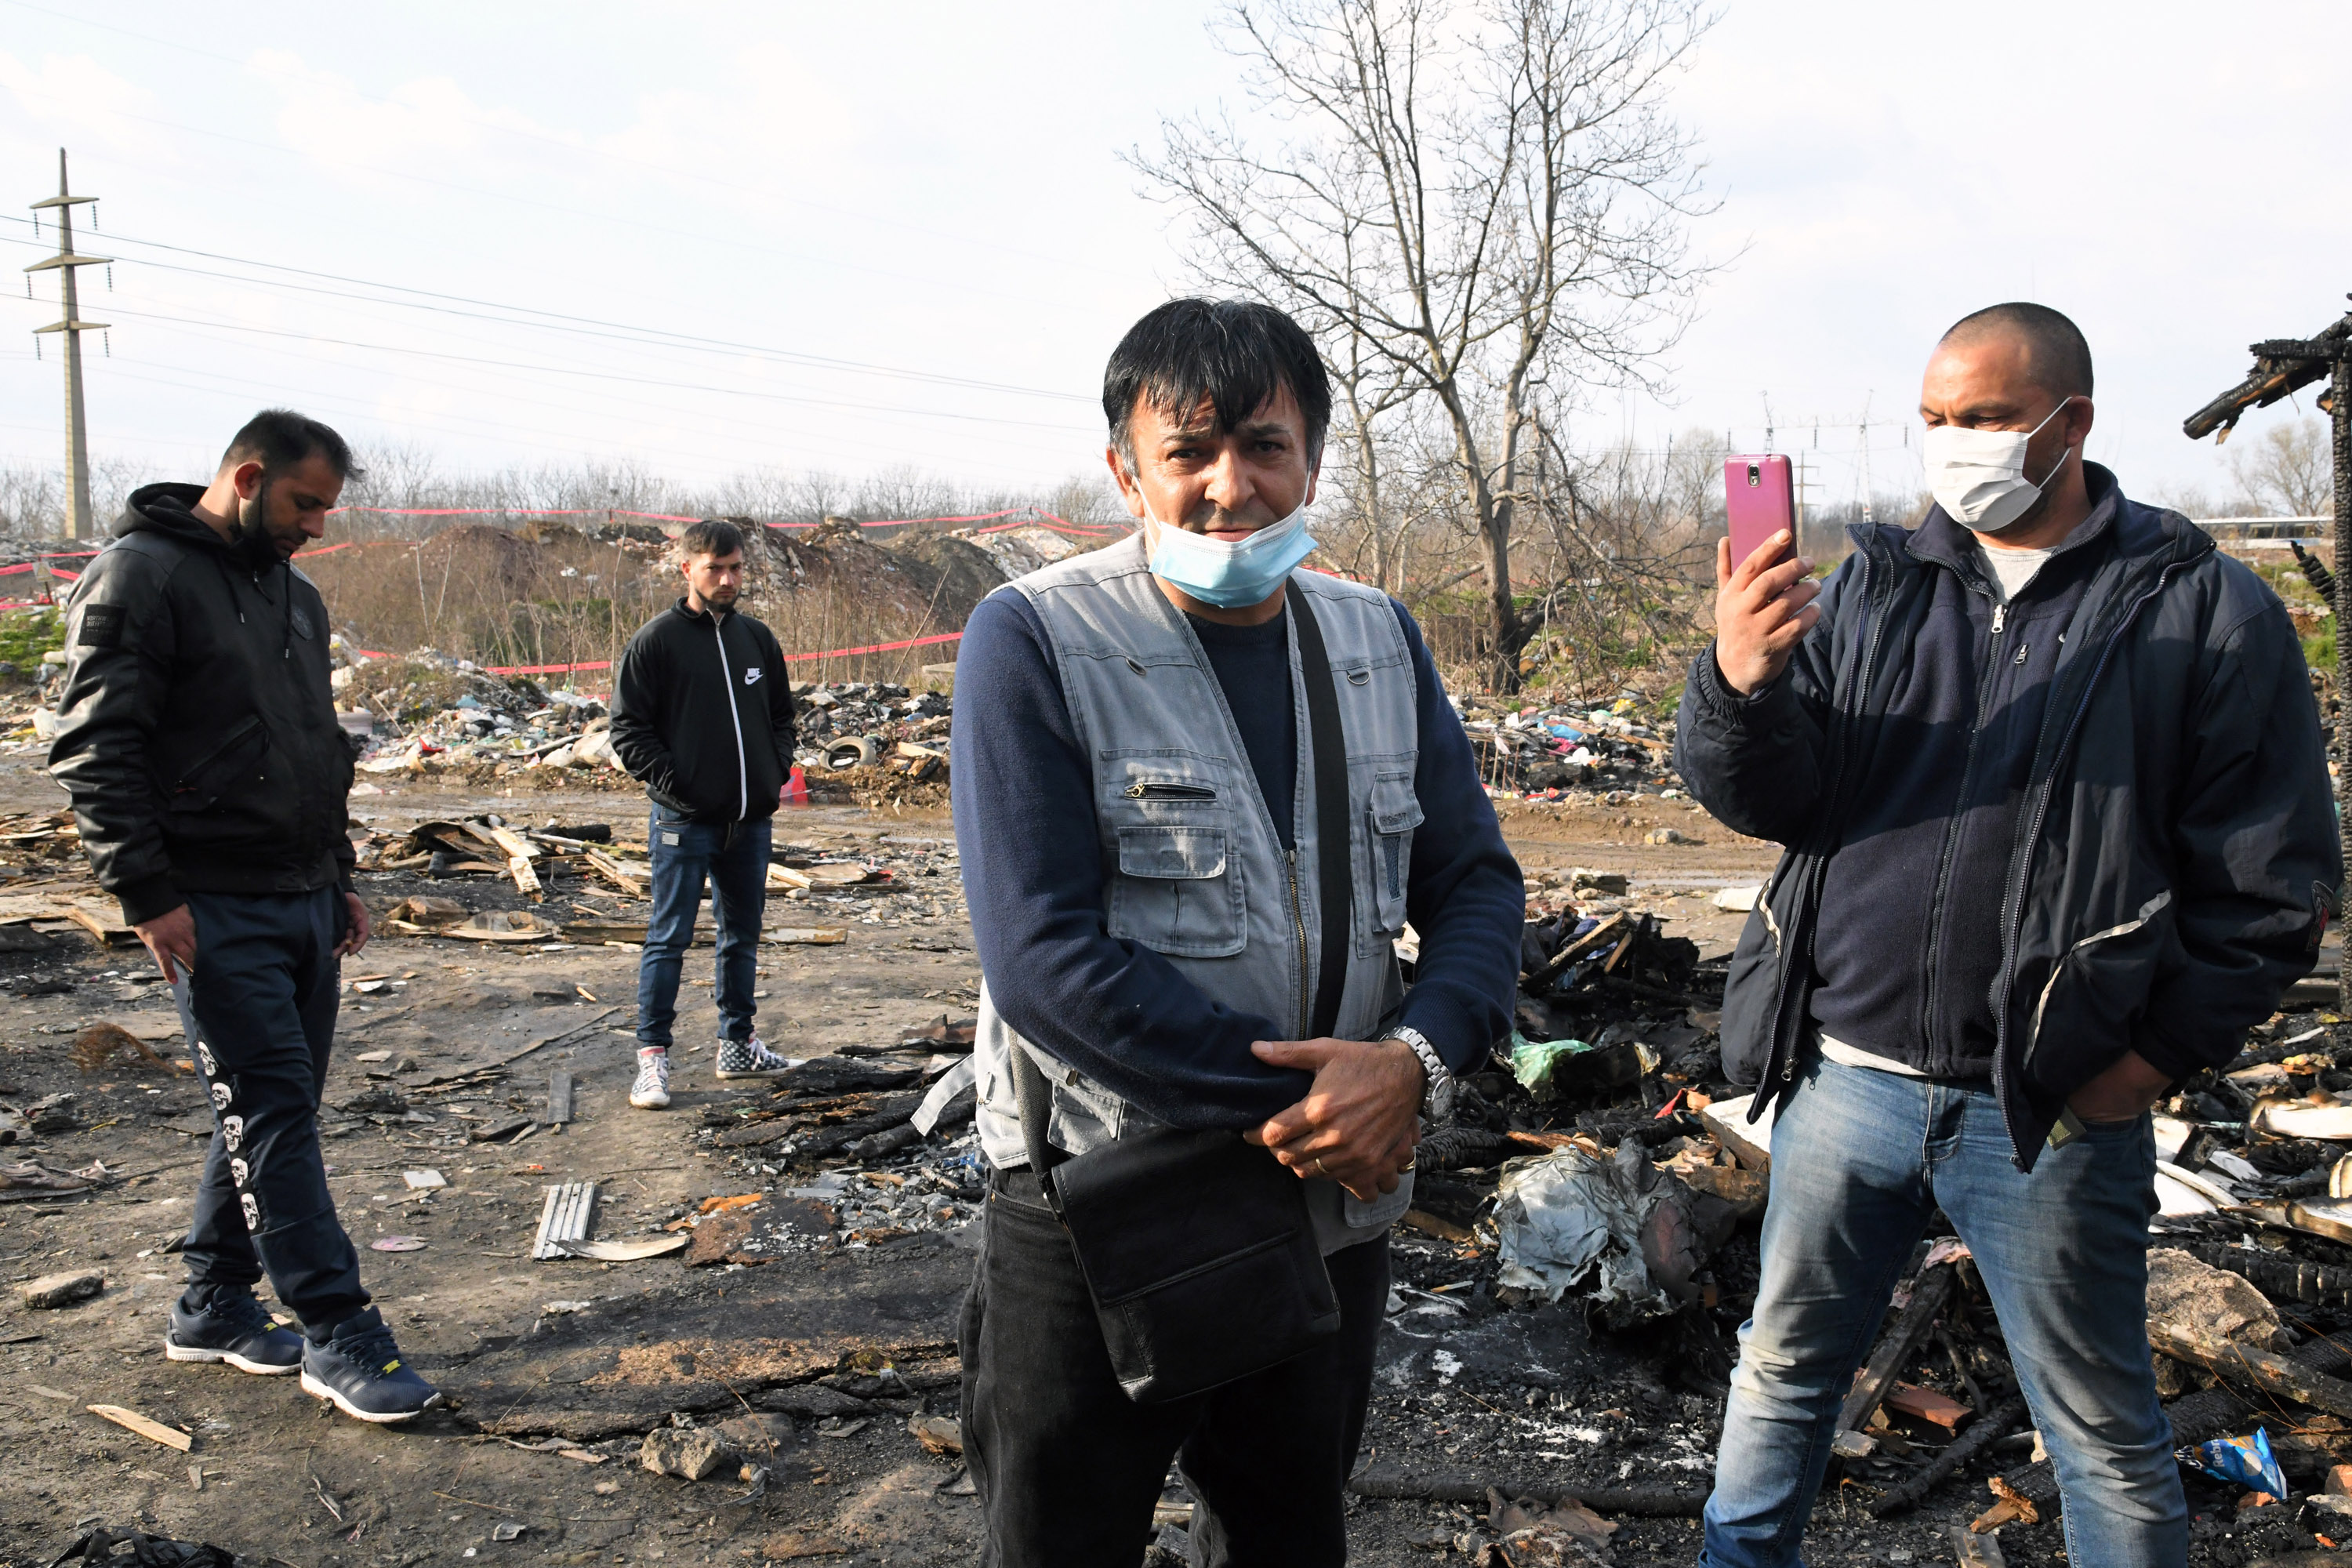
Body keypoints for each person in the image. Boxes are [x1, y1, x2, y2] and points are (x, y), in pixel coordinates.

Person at [1676, 303, 2339, 1566]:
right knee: (1783, 1372)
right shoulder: (1874, 590)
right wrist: (1739, 683)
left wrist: (2143, 1067)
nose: (1952, 443)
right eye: (1934, 418)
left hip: (2046, 1108)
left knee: (2098, 1430)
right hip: (1843, 1083)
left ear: (2069, 422)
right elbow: (1774, 801)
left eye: (1982, 417)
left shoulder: (2201, 613)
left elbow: (2274, 884)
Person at [950, 297, 1524, 1566]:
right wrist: (1321, 1104)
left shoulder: (1378, 642)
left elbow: (1478, 884)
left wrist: (1413, 1064)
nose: (1231, 485)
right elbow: (1042, 960)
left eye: (1265, 446)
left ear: (1311, 461)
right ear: (1126, 472)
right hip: (1104, 1201)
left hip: (1326, 1212)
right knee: (1057, 1546)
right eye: (1189, 452)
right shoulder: (1037, 638)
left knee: (1285, 1538)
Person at [49, 409, 442, 1424]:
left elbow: (317, 745)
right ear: (250, 477)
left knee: (277, 1113)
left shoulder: (294, 595)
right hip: (213, 904)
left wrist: (337, 872)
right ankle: (338, 1330)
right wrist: (147, 894)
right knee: (271, 1114)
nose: (317, 525)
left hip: (303, 896)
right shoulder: (141, 575)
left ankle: (214, 1303)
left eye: (327, 508)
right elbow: (96, 745)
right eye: (306, 503)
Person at [608, 517, 799, 1111]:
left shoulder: (757, 639)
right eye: (714, 568)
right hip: (683, 822)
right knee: (670, 936)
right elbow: (628, 730)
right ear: (686, 568)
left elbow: (781, 717)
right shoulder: (657, 642)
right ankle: (652, 1060)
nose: (727, 579)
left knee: (741, 936)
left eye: (735, 568)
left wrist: (773, 773)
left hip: (750, 821)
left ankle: (737, 1045)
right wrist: (681, 786)